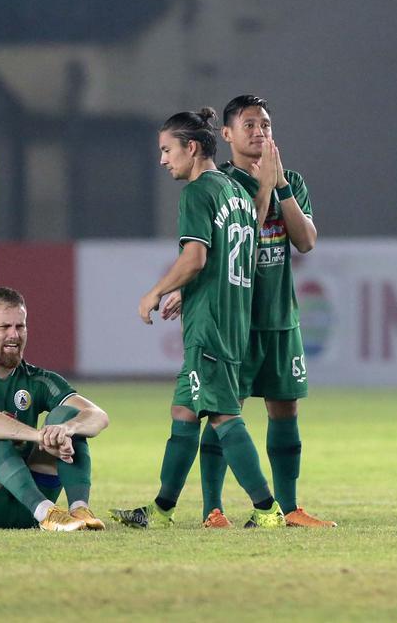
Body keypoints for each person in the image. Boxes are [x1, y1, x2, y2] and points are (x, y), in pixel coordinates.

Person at [111, 107, 285, 529]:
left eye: (167, 150)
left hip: (210, 327)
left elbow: (195, 257)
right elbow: (232, 250)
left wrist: (158, 291)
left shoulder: (197, 193)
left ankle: (268, 511)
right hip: (232, 320)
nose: (162, 159)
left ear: (191, 148)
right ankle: (162, 509)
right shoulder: (235, 192)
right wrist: (187, 292)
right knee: (184, 413)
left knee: (225, 417)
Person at [187, 95, 332, 528]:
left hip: (279, 317)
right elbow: (244, 234)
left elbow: (305, 241)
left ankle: (290, 509)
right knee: (222, 412)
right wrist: (265, 186)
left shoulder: (293, 181)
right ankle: (213, 509)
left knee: (285, 408)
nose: (260, 132)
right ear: (227, 134)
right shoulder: (221, 184)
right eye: (249, 125)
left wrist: (282, 185)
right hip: (233, 318)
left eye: (266, 124)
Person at [0, 287, 109, 531]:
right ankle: (46, 512)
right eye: (4, 327)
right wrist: (38, 435)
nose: (14, 335)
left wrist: (66, 429)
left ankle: (79, 509)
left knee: (66, 416)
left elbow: (98, 416)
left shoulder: (38, 379)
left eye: (20, 326)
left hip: (22, 508)